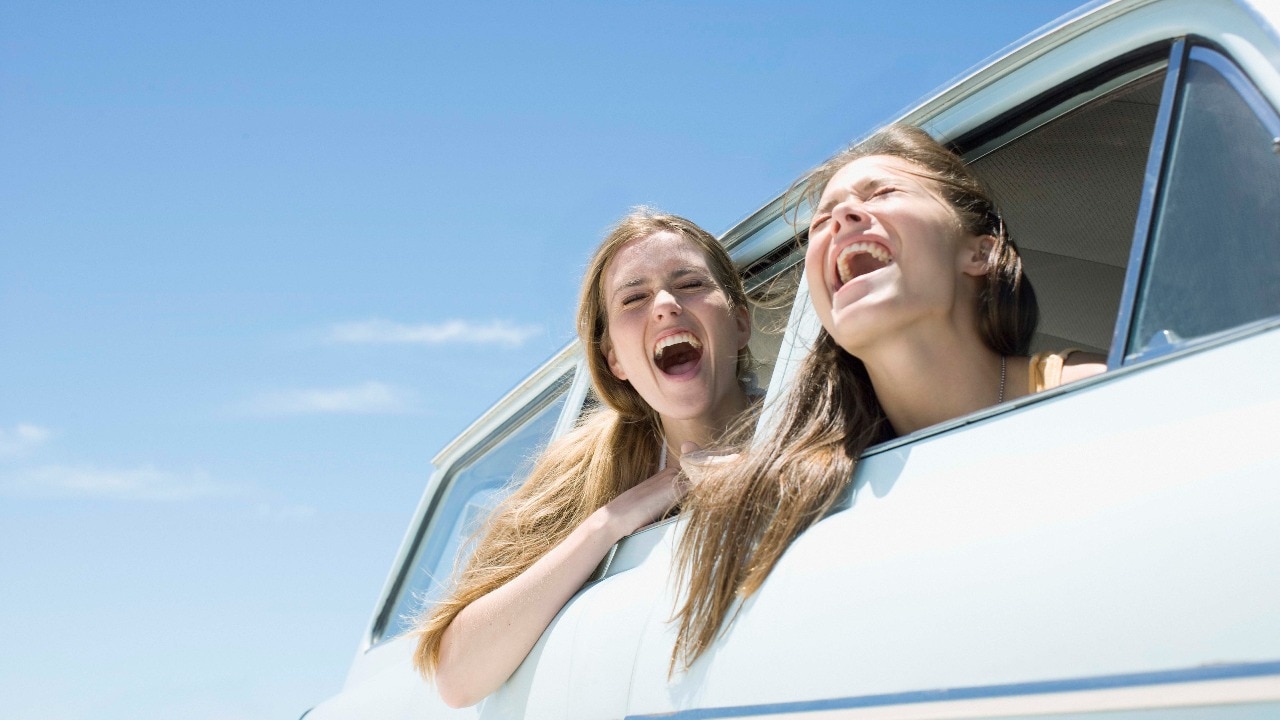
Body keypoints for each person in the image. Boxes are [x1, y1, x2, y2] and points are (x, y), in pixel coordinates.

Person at [671, 124, 1104, 669]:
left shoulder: (1097, 401)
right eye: (823, 220)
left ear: (980, 252)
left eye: (882, 193)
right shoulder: (803, 487)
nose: (843, 218)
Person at [412, 208, 756, 707]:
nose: (665, 305)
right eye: (633, 298)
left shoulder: (814, 421)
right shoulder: (586, 468)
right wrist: (610, 521)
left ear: (740, 322)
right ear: (614, 358)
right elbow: (458, 679)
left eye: (690, 284)